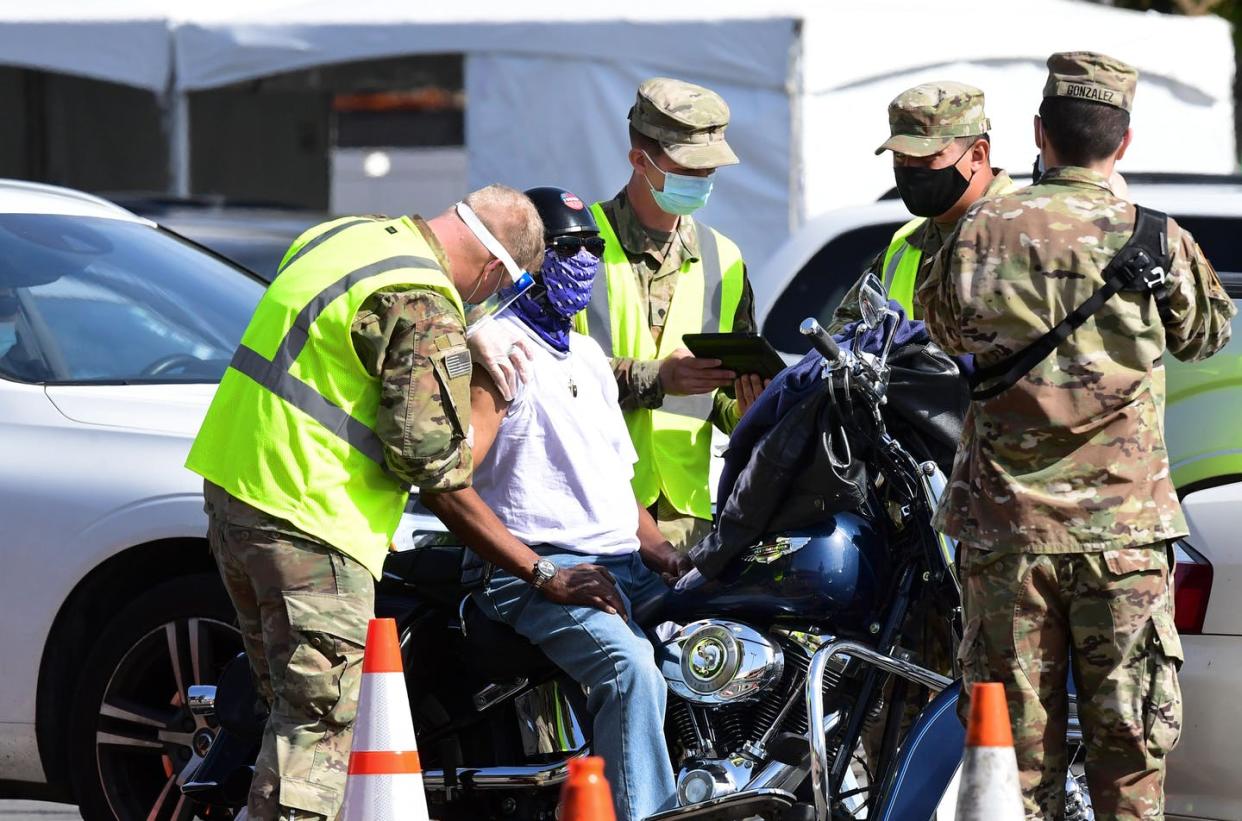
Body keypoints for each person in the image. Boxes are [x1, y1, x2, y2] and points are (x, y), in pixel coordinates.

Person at [916, 52, 1236, 819]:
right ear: (1122, 143)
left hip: (1007, 537)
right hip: (1123, 536)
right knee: (1128, 755)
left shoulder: (977, 232)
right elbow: (1207, 335)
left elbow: (941, 323)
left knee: (1014, 765)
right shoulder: (1157, 238)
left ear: (1039, 134)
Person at [184, 185, 550, 820]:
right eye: (502, 289)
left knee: (285, 713)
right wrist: (535, 566)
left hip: (236, 494)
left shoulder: (342, 236)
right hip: (312, 522)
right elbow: (431, 466)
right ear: (494, 268)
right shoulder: (426, 303)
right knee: (316, 731)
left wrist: (462, 331)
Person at [466, 187, 689, 821]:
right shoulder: (500, 351)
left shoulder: (588, 355)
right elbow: (452, 486)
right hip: (540, 569)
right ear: (531, 259)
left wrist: (668, 554)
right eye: (568, 248)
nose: (584, 261)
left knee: (724, 650)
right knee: (630, 671)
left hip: (624, 562)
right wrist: (543, 572)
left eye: (593, 247)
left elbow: (616, 485)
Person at [573, 77, 764, 553]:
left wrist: (747, 409)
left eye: (709, 170)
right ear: (640, 160)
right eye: (688, 169)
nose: (701, 182)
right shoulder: (574, 248)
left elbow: (719, 395)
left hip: (686, 518)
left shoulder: (726, 259)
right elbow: (547, 382)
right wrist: (660, 377)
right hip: (588, 508)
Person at [830, 81, 1015, 333]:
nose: (910, 169)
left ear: (977, 155)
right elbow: (845, 329)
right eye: (900, 157)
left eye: (926, 158)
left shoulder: (1026, 230)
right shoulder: (904, 245)